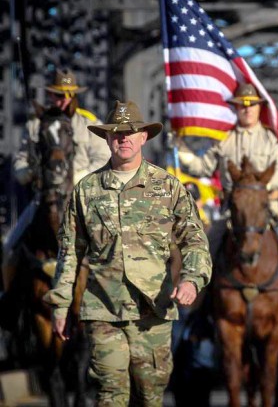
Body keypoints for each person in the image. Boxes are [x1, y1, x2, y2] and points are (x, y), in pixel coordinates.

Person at [43, 100, 212, 406]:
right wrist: (61, 305)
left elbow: (195, 241)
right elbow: (69, 253)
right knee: (111, 395)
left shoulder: (168, 187)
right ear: (107, 139)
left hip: (153, 313)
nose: (123, 138)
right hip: (103, 309)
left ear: (143, 137)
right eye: (116, 133)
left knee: (150, 395)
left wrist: (191, 279)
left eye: (130, 132)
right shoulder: (86, 191)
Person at [177, 83, 278, 284]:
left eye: (251, 105)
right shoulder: (224, 140)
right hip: (230, 214)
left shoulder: (270, 138)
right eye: (242, 105)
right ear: (235, 108)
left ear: (259, 107)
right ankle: (194, 310)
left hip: (269, 210)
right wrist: (181, 149)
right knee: (203, 253)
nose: (247, 109)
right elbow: (202, 168)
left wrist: (257, 190)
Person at [2, 69, 111, 293]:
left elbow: (104, 158)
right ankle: (7, 297)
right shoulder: (35, 125)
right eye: (58, 95)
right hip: (45, 198)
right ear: (51, 96)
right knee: (9, 245)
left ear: (74, 97)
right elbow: (20, 160)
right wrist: (28, 172)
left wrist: (79, 177)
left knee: (111, 247)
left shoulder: (89, 124)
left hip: (82, 200)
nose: (62, 101)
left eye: (67, 96)